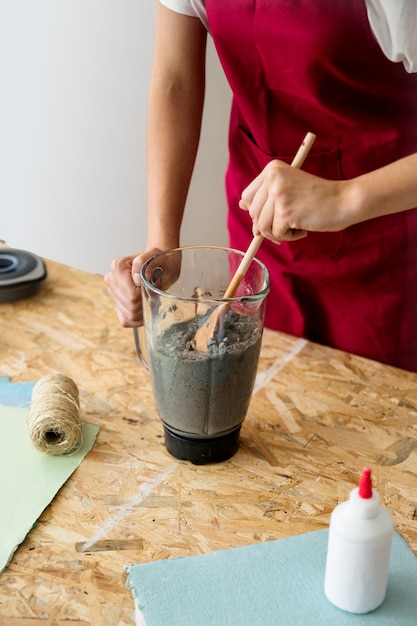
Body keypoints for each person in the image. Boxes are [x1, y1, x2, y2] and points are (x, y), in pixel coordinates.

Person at [105, 1, 417, 372]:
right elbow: (176, 82)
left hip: (390, 241)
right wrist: (161, 244)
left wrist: (344, 198)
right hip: (261, 228)